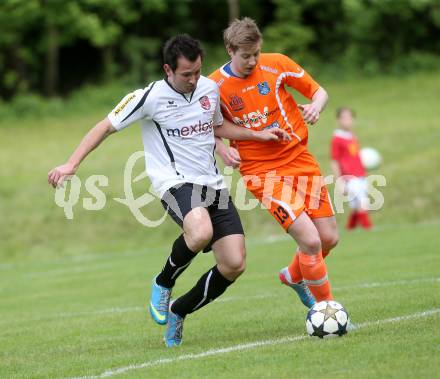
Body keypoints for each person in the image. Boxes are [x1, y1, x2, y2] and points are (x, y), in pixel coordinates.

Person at [48, 34, 289, 347]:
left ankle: (179, 310)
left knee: (234, 264)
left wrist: (259, 135)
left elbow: (217, 127)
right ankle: (163, 283)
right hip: (173, 182)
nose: (193, 80)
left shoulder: (209, 89)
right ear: (168, 70)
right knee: (200, 231)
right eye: (186, 74)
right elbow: (104, 126)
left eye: (197, 72)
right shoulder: (148, 97)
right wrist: (71, 164)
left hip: (212, 184)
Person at [210, 18, 339, 310]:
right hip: (261, 172)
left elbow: (319, 92)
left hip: (299, 159)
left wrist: (315, 108)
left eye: (256, 53)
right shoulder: (214, 85)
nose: (253, 61)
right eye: (245, 56)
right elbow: (208, 127)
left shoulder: (276, 64)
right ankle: (328, 310)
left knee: (328, 238)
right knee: (310, 241)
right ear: (230, 50)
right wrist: (221, 150)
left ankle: (294, 275)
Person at [331, 107, 372, 230]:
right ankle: (369, 229)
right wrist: (340, 182)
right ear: (338, 120)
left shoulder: (352, 136)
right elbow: (334, 161)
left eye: (349, 118)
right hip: (350, 178)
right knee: (363, 203)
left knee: (355, 207)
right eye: (344, 118)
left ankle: (350, 230)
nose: (347, 121)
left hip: (361, 176)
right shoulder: (337, 139)